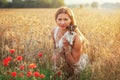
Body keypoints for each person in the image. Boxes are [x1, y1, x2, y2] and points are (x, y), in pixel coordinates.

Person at [51, 7, 89, 80]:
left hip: (74, 68)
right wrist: (56, 57)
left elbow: (74, 65)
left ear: (71, 20)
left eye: (66, 19)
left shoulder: (76, 38)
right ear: (56, 20)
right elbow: (55, 47)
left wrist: (67, 48)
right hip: (60, 64)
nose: (62, 23)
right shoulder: (54, 31)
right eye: (59, 19)